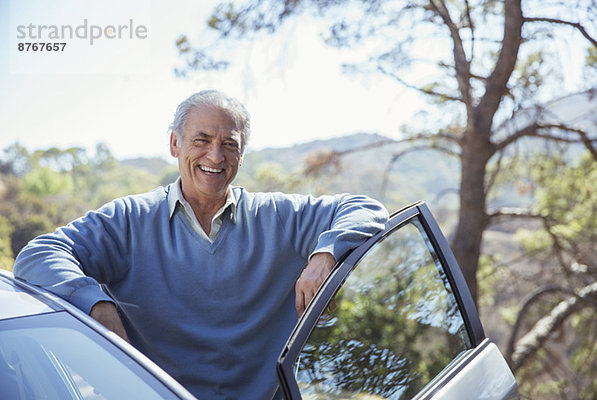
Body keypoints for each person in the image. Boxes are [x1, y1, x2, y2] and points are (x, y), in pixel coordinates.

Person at [13, 90, 388, 399]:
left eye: (229, 144)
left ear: (241, 154)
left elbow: (365, 208)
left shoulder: (278, 217)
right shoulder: (129, 220)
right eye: (202, 140)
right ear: (175, 144)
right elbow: (38, 254)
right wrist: (97, 305)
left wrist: (325, 255)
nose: (215, 156)